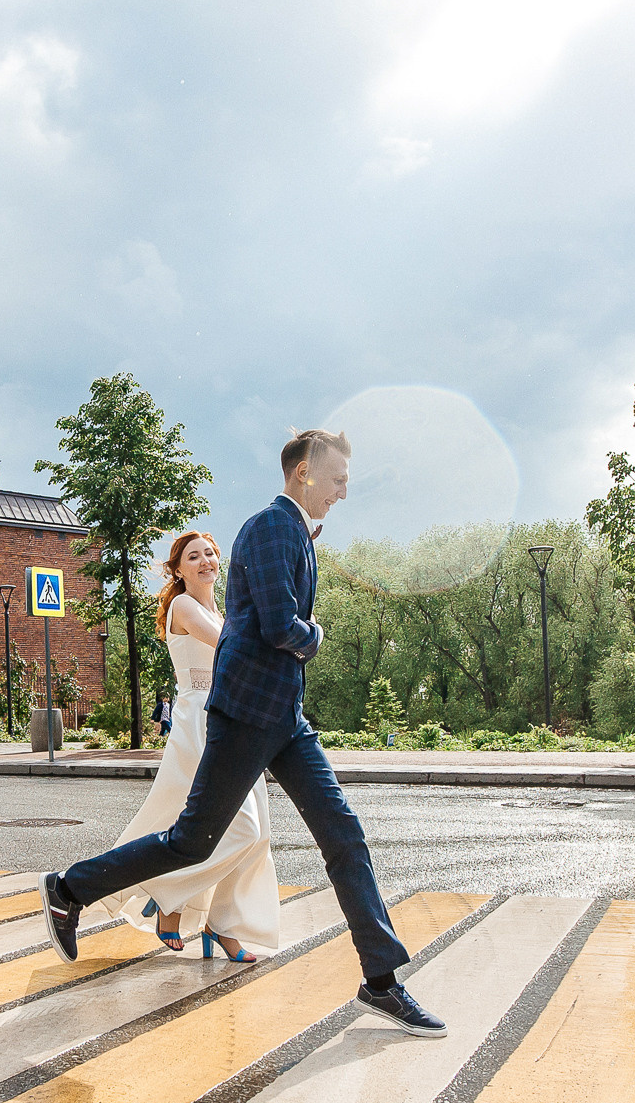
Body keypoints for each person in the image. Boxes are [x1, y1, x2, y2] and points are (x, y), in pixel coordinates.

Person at [42, 429, 446, 1037]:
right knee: (191, 842)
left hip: (284, 717)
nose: (343, 491)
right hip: (246, 713)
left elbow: (257, 620)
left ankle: (381, 980)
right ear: (305, 472)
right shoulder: (270, 527)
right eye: (338, 479)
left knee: (343, 835)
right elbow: (282, 626)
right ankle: (70, 888)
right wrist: (316, 635)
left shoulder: (294, 532)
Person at [86, 532, 278, 962]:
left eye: (210, 553)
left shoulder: (219, 609)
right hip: (201, 723)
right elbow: (234, 647)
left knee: (257, 832)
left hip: (232, 721)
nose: (205, 561)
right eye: (194, 556)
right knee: (240, 827)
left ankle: (223, 925)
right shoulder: (184, 606)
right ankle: (168, 897)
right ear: (178, 570)